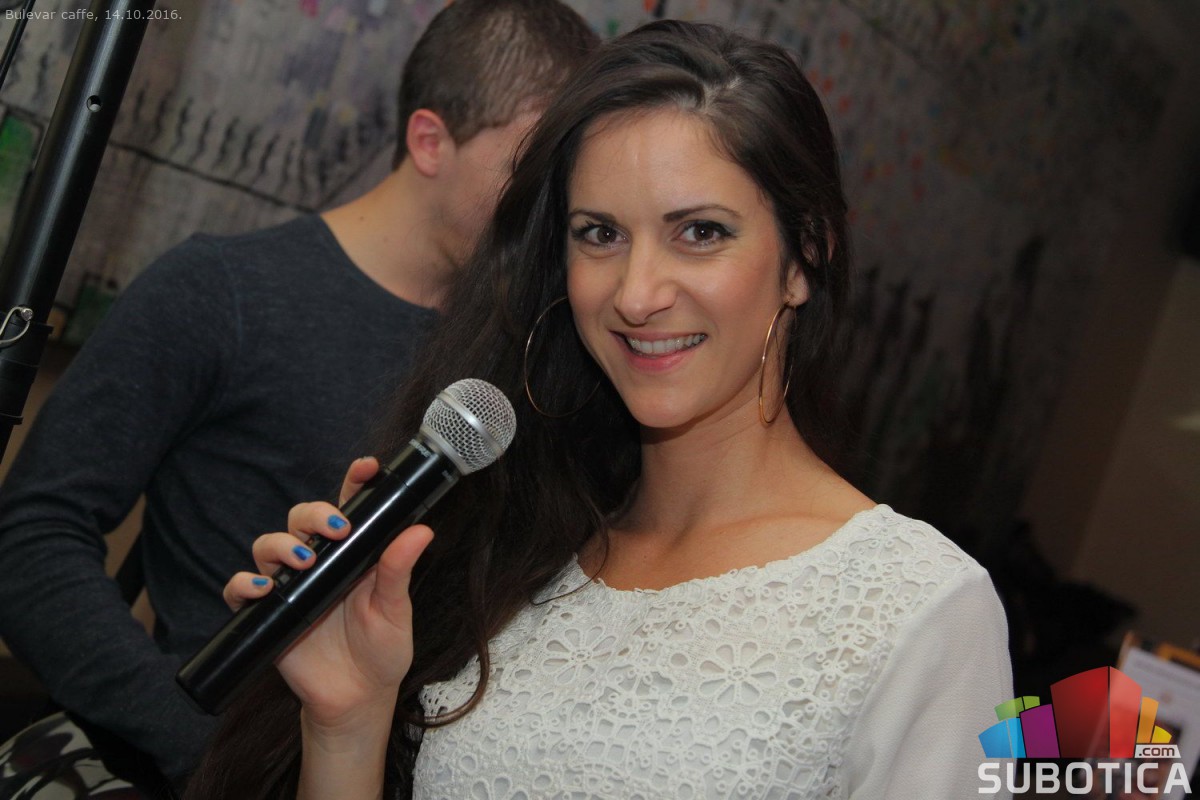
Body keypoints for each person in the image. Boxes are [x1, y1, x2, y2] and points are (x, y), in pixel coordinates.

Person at [191, 20, 1013, 800]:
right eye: (600, 234)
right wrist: (347, 722)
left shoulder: (919, 608)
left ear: (803, 258)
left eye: (700, 232)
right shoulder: (516, 550)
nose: (636, 294)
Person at [0, 0, 598, 788]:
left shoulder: (531, 346)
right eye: (530, 168)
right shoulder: (222, 290)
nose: (549, 208)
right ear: (430, 141)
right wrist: (194, 744)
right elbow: (32, 536)